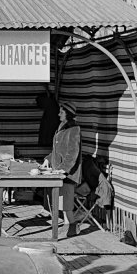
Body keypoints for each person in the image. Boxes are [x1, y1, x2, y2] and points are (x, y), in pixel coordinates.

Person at [42, 100, 82, 238]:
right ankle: (69, 226)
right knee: (62, 205)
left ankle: (73, 226)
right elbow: (57, 150)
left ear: (68, 113)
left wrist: (64, 169)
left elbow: (73, 152)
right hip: (58, 172)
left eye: (61, 111)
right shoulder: (61, 126)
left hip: (68, 174)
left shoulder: (74, 129)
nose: (59, 114)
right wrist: (48, 159)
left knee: (67, 205)